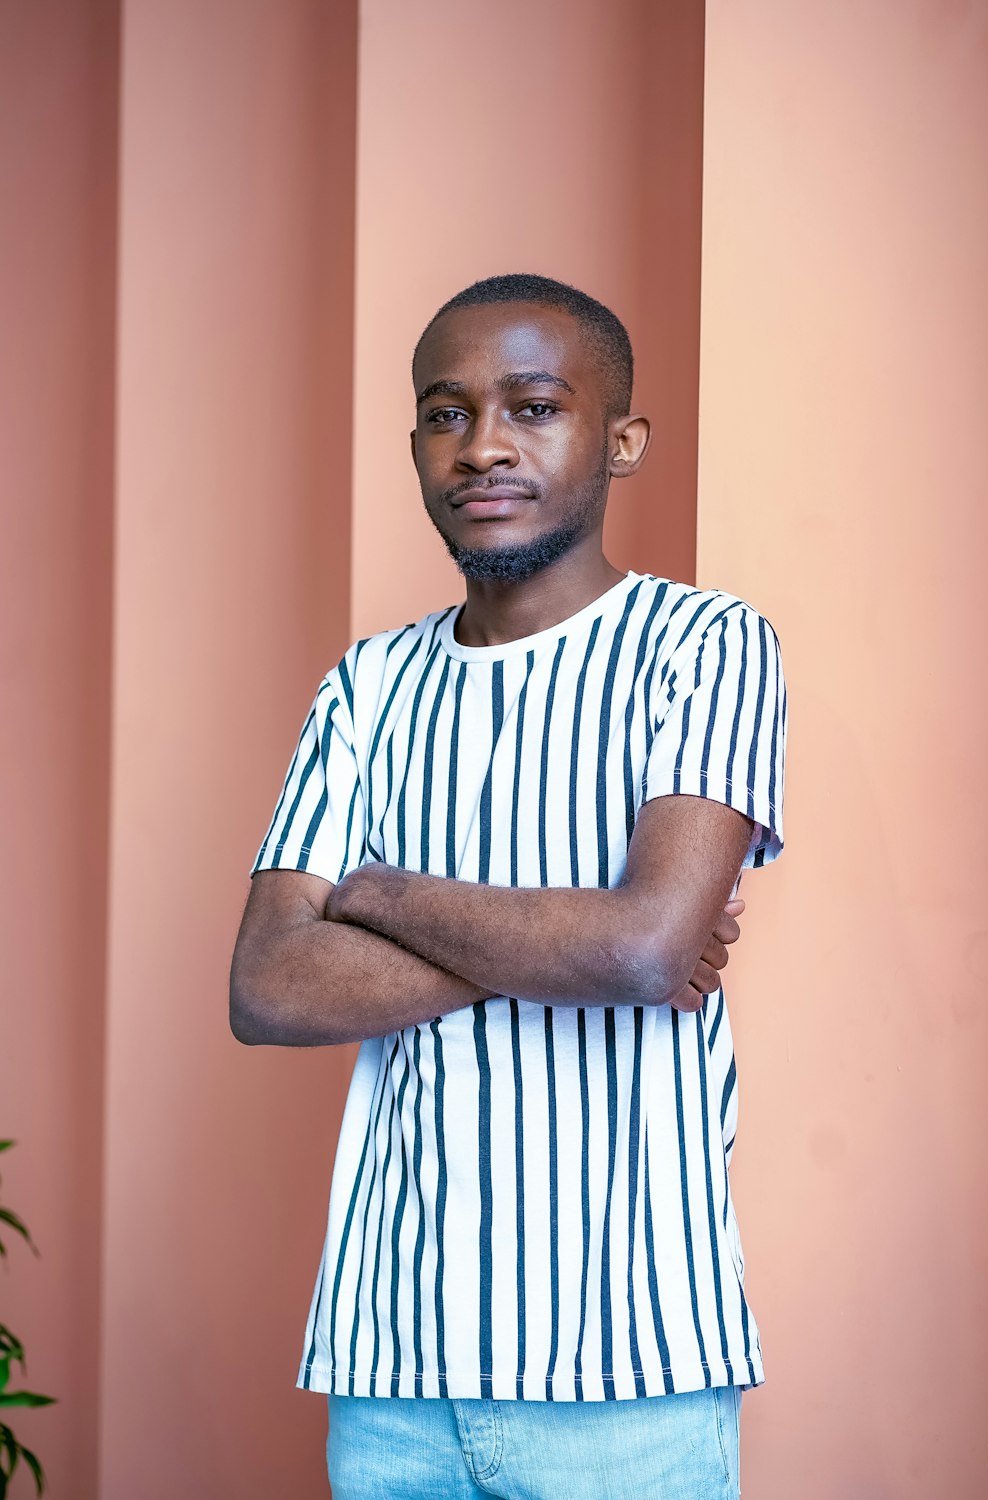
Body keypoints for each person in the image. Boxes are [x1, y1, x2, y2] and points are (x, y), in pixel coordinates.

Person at [230, 272, 787, 1499]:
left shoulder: (706, 645)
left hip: (629, 1372)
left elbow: (644, 950)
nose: (482, 445)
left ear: (620, 440)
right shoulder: (368, 686)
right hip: (390, 1371)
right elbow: (269, 984)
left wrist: (373, 891)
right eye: (445, 413)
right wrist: (580, 943)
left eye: (533, 407)